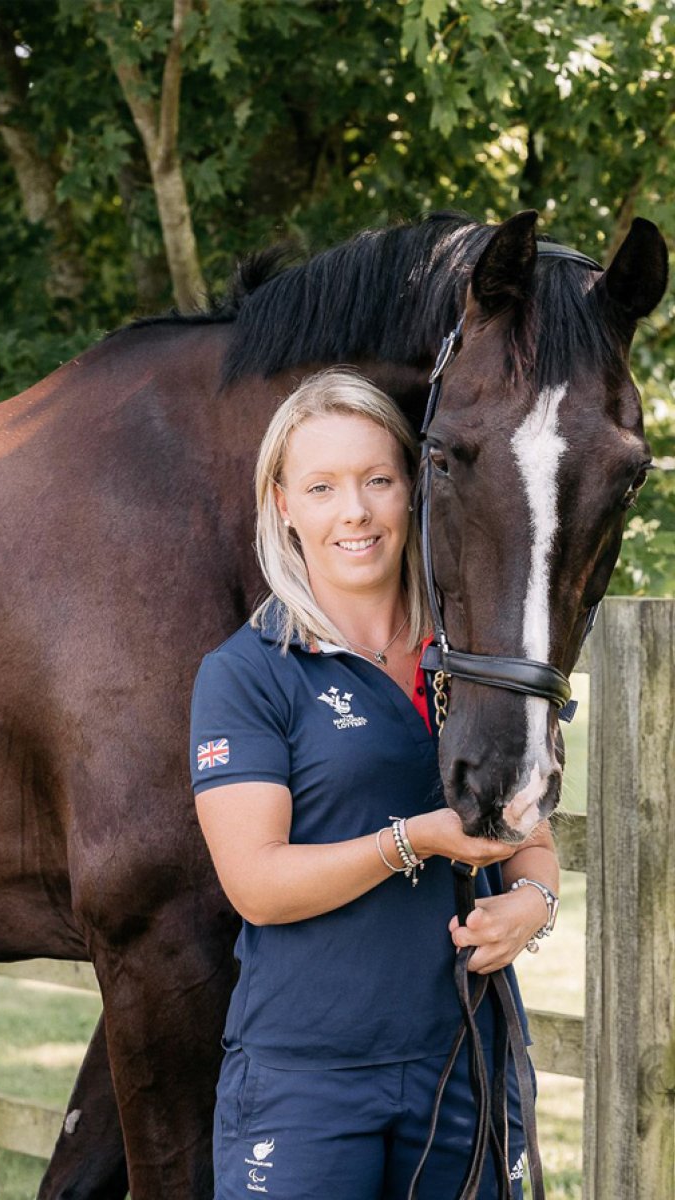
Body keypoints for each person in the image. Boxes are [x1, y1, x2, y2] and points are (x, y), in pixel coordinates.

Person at [189, 368, 560, 1200]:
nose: (353, 511)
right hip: (306, 1085)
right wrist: (414, 838)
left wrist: (534, 905)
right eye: (322, 487)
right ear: (283, 505)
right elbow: (257, 885)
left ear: (412, 492)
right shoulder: (248, 674)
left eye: (377, 480)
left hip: (467, 1065)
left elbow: (527, 835)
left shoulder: (475, 663)